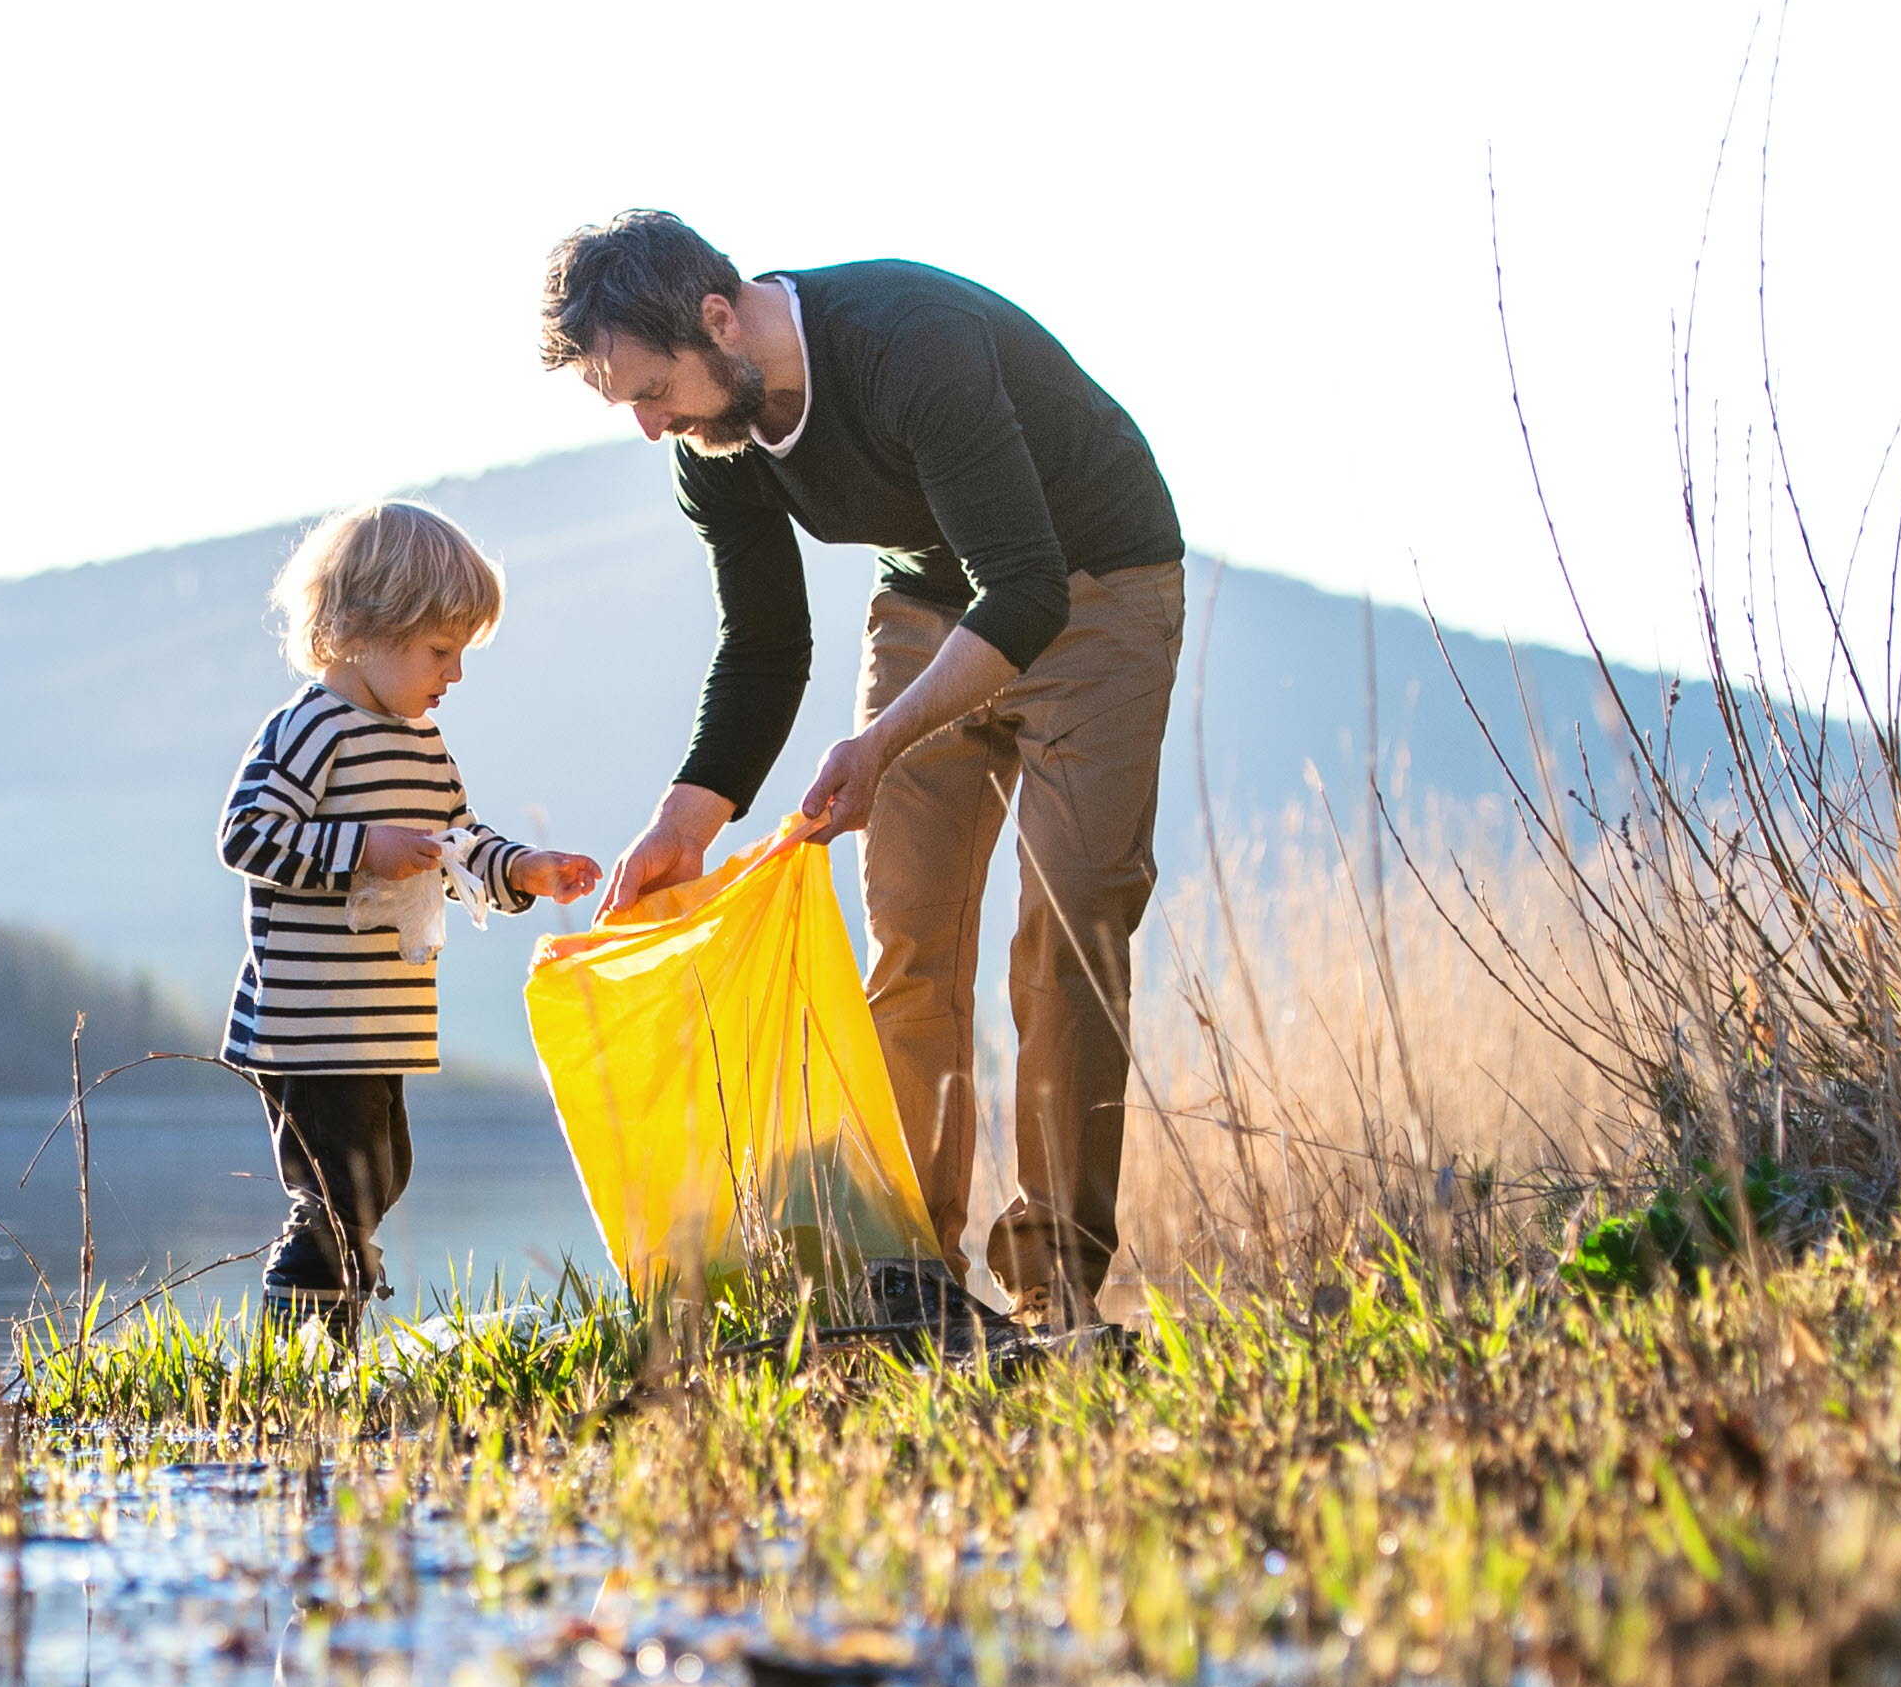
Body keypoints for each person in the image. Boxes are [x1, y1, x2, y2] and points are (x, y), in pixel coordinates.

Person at [540, 212, 1190, 1331]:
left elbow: (1026, 589)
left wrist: (881, 742)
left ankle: (1057, 1295)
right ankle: (911, 1281)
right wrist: (685, 821)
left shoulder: (907, 343)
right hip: (931, 606)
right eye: (630, 407)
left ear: (716, 319)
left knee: (1069, 934)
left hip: (1095, 590)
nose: (652, 428)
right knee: (911, 939)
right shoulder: (719, 448)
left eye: (654, 391)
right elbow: (764, 646)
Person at [217, 501, 603, 1336]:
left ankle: (330, 1315)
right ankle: (303, 1319)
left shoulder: (421, 743)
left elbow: (457, 845)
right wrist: (360, 845)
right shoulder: (311, 729)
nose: (454, 674)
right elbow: (246, 836)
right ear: (362, 627)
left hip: (380, 1017)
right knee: (342, 1185)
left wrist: (525, 870)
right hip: (308, 1020)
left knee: (385, 1172)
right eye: (439, 650)